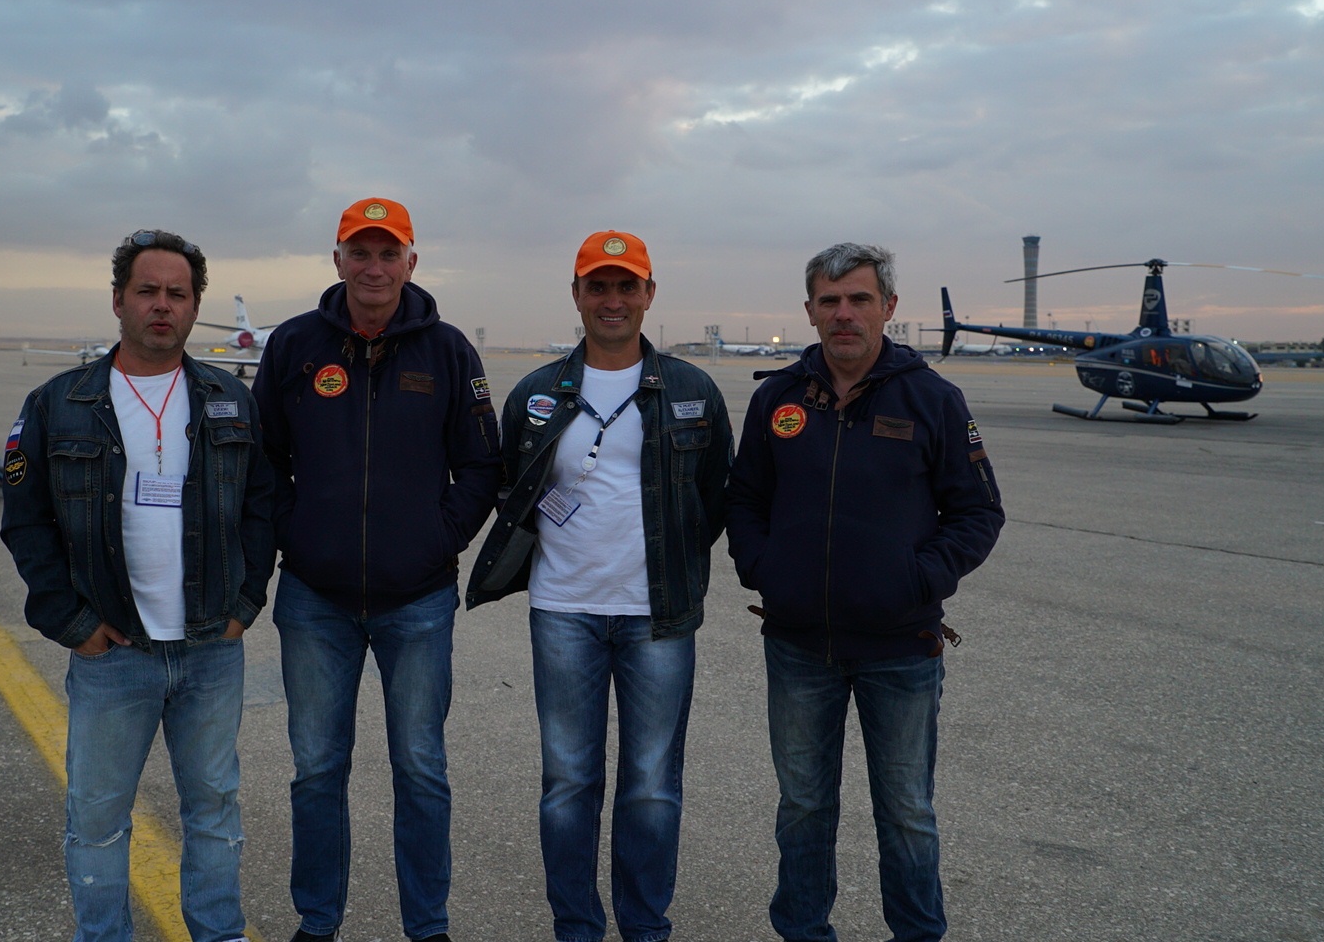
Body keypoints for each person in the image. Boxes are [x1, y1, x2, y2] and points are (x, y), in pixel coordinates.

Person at [0, 229, 276, 942]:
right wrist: (70, 622)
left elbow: (261, 507)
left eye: (177, 294)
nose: (162, 305)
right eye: (147, 291)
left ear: (194, 307)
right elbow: (25, 521)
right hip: (113, 653)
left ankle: (219, 932)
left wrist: (246, 604)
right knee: (96, 819)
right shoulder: (59, 404)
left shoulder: (229, 399)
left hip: (212, 649)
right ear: (118, 300)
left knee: (214, 810)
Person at [725, 242, 1004, 942]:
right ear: (810, 311)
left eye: (859, 299)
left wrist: (917, 580)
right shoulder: (776, 399)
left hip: (900, 647)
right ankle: (803, 931)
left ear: (888, 307)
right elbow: (745, 499)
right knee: (803, 807)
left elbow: (978, 512)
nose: (844, 313)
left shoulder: (933, 399)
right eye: (830, 301)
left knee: (907, 811)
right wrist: (765, 568)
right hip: (797, 645)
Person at [468, 230, 733, 942]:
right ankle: (577, 927)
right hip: (564, 612)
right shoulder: (536, 393)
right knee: (568, 781)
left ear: (649, 295)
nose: (612, 300)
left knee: (651, 785)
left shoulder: (693, 391)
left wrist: (668, 564)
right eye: (598, 286)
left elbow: (713, 497)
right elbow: (513, 487)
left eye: (626, 286)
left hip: (658, 615)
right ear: (577, 295)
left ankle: (645, 928)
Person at [253, 197, 502, 942]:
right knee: (316, 770)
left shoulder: (449, 351)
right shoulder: (294, 345)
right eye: (359, 252)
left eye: (388, 253)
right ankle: (317, 921)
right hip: (314, 599)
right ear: (337, 260)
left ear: (410, 262)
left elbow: (481, 465)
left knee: (421, 769)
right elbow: (262, 459)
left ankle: (427, 926)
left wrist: (438, 539)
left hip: (417, 600)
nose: (373, 267)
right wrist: (295, 533)